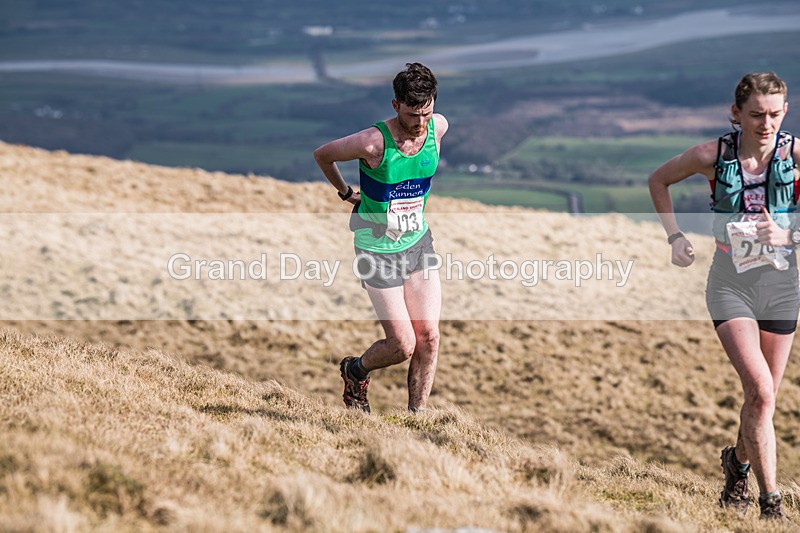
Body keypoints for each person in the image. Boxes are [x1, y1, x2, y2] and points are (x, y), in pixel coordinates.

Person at [648, 72, 798, 519]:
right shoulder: (710, 155)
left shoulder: (794, 156)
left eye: (774, 114)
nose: (765, 124)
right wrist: (674, 237)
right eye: (756, 115)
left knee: (760, 399)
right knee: (761, 393)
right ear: (736, 114)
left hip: (783, 287)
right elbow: (658, 180)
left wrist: (787, 235)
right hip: (731, 285)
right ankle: (771, 502)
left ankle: (736, 464)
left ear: (784, 112)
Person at [313, 62, 449, 414]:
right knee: (402, 345)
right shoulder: (372, 142)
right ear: (395, 106)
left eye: (426, 113)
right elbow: (323, 155)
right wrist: (346, 193)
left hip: (418, 244)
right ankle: (355, 371)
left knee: (429, 339)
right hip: (377, 249)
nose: (419, 124)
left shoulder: (438, 128)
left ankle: (416, 420)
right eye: (411, 115)